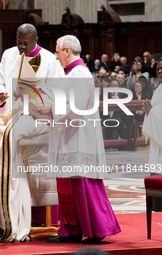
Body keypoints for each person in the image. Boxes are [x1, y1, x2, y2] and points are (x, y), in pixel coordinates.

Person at [40, 35, 121, 244]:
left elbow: (72, 109)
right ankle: (71, 230)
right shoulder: (73, 74)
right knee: (69, 187)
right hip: (70, 137)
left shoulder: (79, 74)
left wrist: (47, 110)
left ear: (67, 50)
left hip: (78, 139)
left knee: (82, 185)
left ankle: (95, 230)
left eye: (57, 52)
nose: (56, 58)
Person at [0, 23, 64, 115]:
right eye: (19, 42)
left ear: (36, 40)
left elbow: (57, 91)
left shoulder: (50, 60)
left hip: (36, 113)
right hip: (11, 112)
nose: (22, 46)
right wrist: (0, 92)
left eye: (26, 43)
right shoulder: (8, 55)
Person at [142, 80, 162, 211]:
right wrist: (150, 113)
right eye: (158, 68)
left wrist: (153, 113)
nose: (160, 71)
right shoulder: (159, 88)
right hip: (157, 143)